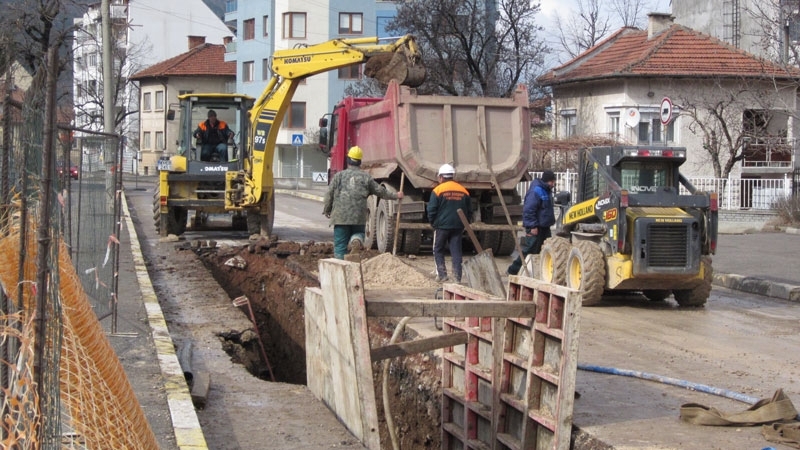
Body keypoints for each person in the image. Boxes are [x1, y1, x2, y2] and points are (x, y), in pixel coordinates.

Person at [323, 146, 404, 259]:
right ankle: (356, 240)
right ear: (360, 162)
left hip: (340, 217)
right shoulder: (366, 177)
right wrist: (396, 195)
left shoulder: (339, 176)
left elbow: (329, 194)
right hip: (358, 216)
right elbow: (380, 191)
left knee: (340, 246)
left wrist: (327, 209)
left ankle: (341, 265)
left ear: (348, 160)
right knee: (359, 234)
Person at [427, 163, 471, 283]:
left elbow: (431, 210)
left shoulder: (437, 190)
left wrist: (433, 223)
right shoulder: (463, 190)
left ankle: (442, 275)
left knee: (438, 250)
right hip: (458, 226)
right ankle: (457, 277)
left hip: (441, 226)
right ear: (452, 176)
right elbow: (469, 210)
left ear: (441, 177)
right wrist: (465, 224)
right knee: (456, 251)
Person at [507, 170, 557, 276]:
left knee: (544, 250)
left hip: (544, 227)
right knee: (529, 250)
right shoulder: (536, 191)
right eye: (552, 182)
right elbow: (529, 210)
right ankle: (513, 270)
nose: (553, 184)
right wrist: (532, 226)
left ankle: (537, 273)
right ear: (547, 181)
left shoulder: (546, 190)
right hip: (536, 227)